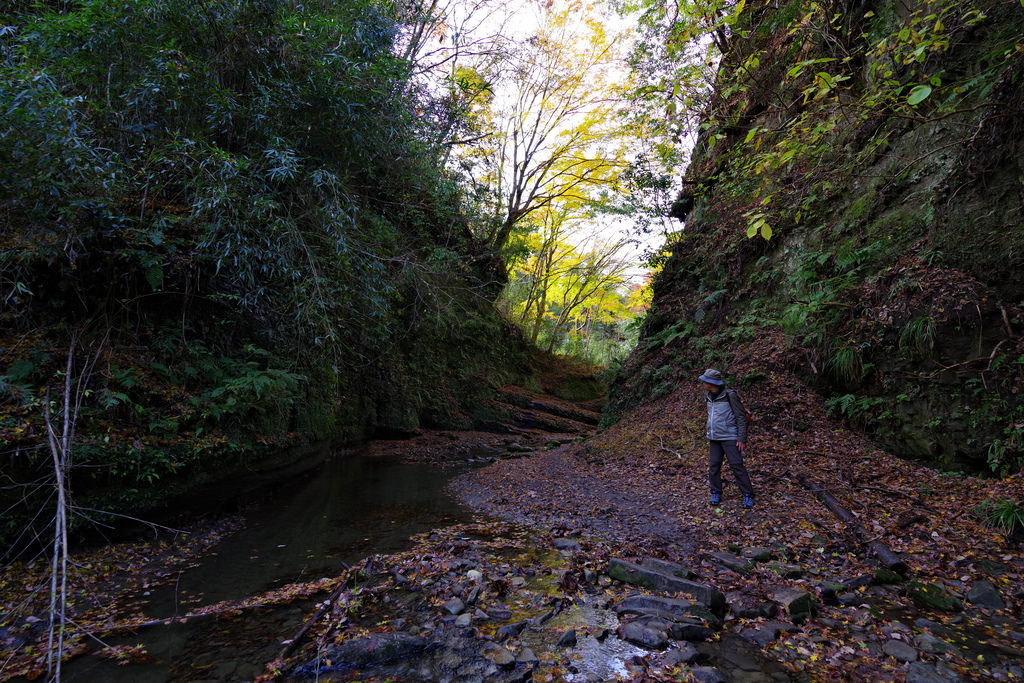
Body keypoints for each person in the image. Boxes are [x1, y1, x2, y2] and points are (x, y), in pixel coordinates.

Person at [699, 368, 755, 509]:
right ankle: (715, 492)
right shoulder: (708, 395)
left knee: (736, 465)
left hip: (730, 437)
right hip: (714, 437)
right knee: (713, 466)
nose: (703, 382)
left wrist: (741, 438)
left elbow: (741, 417)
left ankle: (747, 494)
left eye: (705, 380)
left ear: (712, 382)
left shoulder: (730, 395)